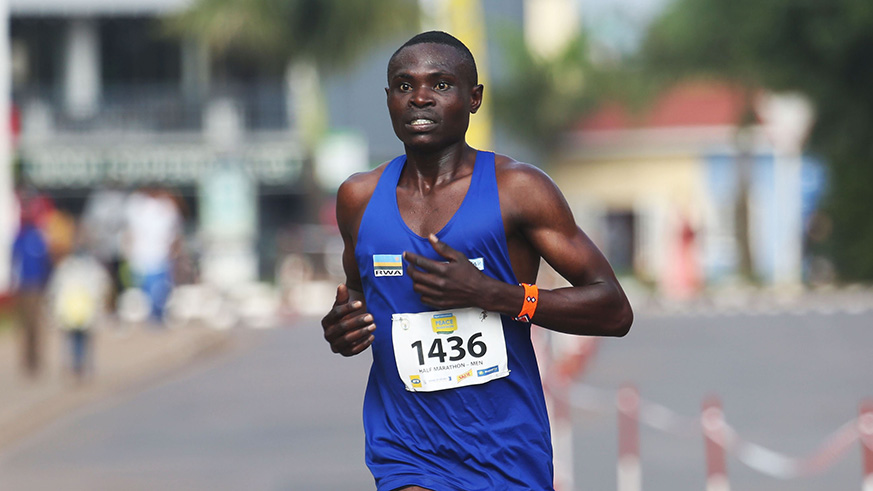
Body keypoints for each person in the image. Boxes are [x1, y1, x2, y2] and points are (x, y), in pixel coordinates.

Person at [321, 31, 633, 491]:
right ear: (388, 99)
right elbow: (362, 299)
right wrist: (342, 328)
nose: (420, 98)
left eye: (441, 85)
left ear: (474, 98)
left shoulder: (518, 189)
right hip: (408, 448)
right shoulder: (358, 197)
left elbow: (613, 309)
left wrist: (494, 295)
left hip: (505, 446)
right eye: (404, 86)